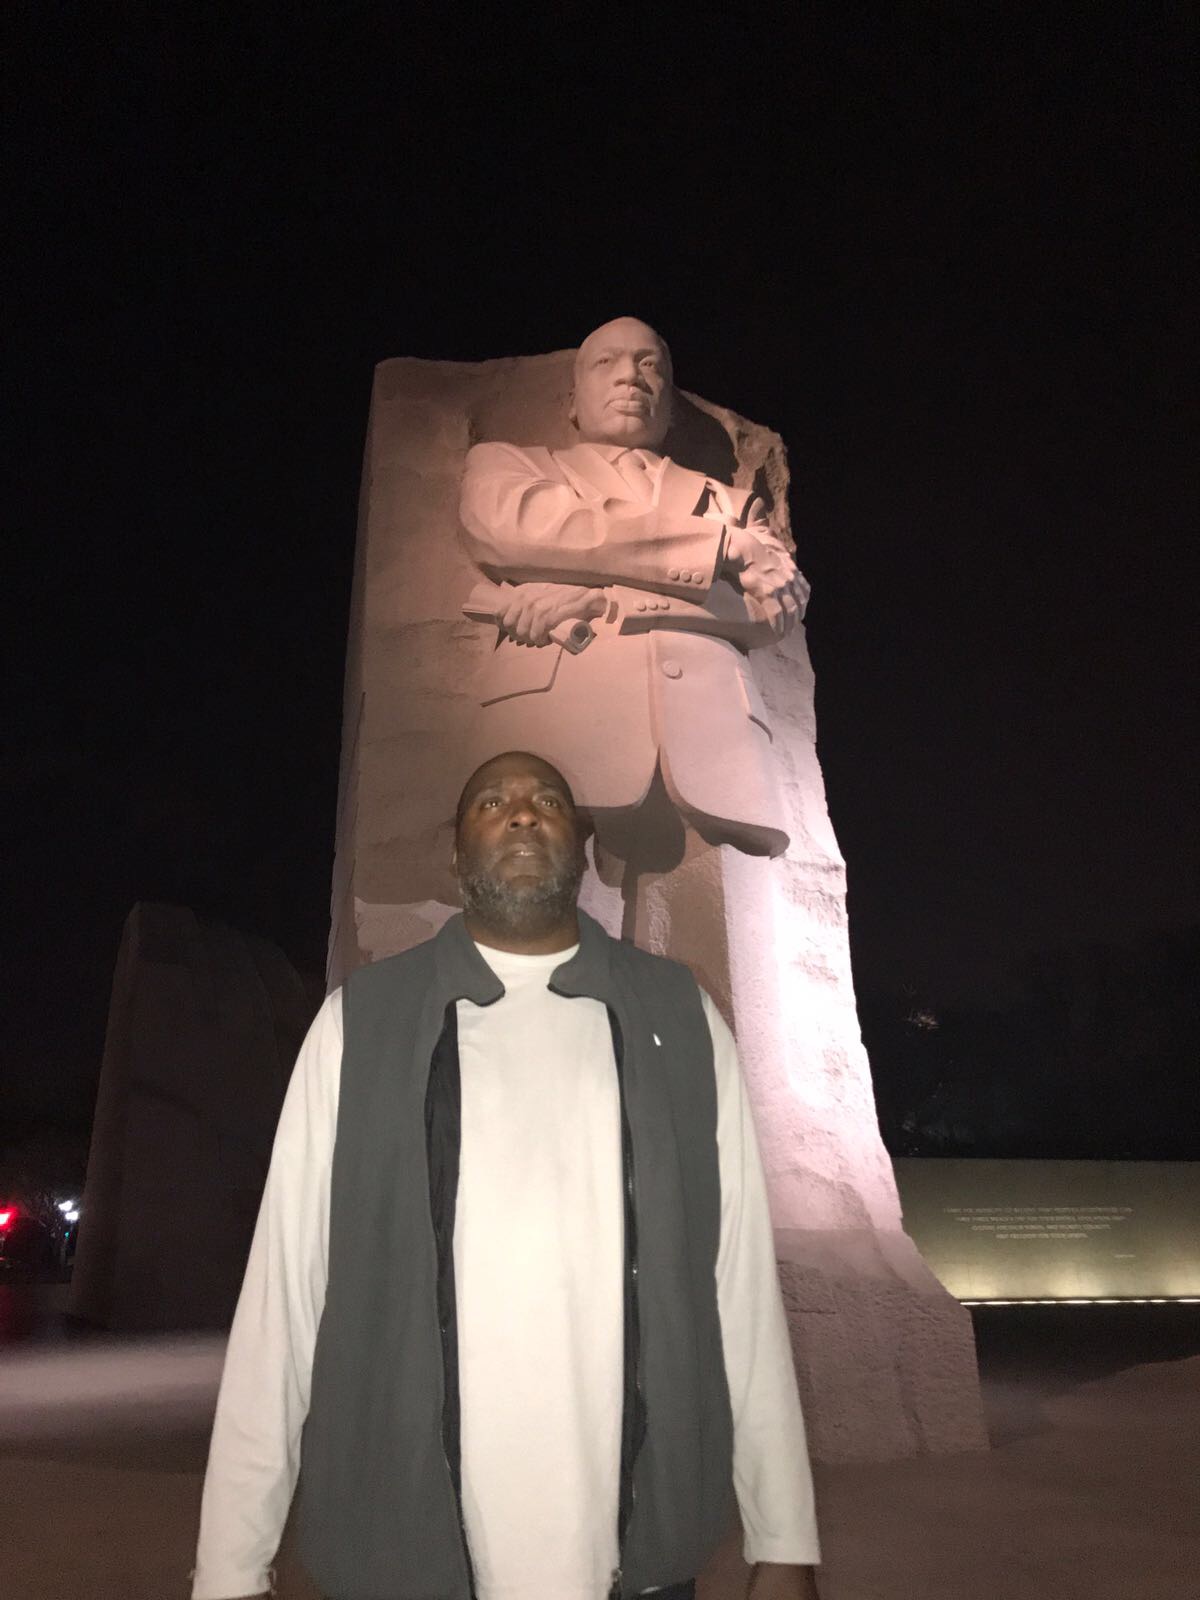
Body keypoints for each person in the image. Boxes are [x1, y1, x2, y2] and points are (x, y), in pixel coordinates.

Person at [191, 750, 820, 1600]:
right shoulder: (361, 1025)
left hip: (634, 1557)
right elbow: (284, 1297)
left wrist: (784, 1538)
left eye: (547, 801)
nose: (522, 813)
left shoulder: (678, 1016)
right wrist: (231, 1567)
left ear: (582, 843)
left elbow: (737, 1286)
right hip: (403, 1551)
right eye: (492, 802)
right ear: (457, 853)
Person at [458, 318, 811, 862]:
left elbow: (774, 607)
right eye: (607, 363)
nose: (630, 378)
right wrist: (721, 548)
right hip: (550, 733)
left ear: (669, 406)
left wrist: (609, 601)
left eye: (650, 367)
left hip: (720, 757)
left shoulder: (733, 503)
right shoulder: (513, 465)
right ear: (574, 401)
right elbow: (518, 527)